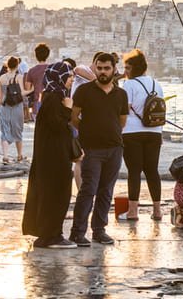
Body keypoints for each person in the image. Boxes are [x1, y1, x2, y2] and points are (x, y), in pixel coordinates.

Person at [69, 52, 128, 246]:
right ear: (94, 68)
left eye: (106, 68)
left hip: (114, 148)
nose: (103, 72)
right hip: (91, 149)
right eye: (99, 68)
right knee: (88, 190)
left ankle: (99, 230)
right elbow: (74, 117)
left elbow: (122, 121)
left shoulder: (121, 94)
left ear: (114, 70)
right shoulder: (84, 91)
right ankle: (77, 232)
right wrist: (87, 132)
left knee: (106, 191)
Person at [22, 61, 81, 249]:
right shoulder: (54, 99)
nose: (71, 79)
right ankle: (51, 236)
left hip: (54, 155)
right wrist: (68, 108)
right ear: (58, 77)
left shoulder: (53, 96)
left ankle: (50, 234)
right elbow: (57, 125)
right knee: (56, 194)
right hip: (54, 157)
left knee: (54, 194)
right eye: (68, 76)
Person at [120, 49, 164, 221]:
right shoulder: (156, 83)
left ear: (135, 68)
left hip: (132, 132)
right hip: (154, 132)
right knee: (152, 171)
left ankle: (132, 212)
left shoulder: (129, 85)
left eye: (127, 68)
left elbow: (124, 110)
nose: (125, 71)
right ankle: (157, 211)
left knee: (134, 171)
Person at [0, 56, 32, 164]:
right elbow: (22, 93)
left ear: (7, 65)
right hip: (17, 106)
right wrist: (31, 90)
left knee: (5, 131)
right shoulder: (19, 77)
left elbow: (0, 95)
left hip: (5, 106)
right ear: (17, 65)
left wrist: (3, 104)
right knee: (18, 130)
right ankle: (19, 155)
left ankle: (5, 156)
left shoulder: (2, 78)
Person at [24, 43, 50, 120]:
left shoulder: (31, 71)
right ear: (47, 55)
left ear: (36, 55)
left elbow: (27, 88)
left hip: (37, 104)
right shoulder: (52, 69)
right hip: (50, 103)